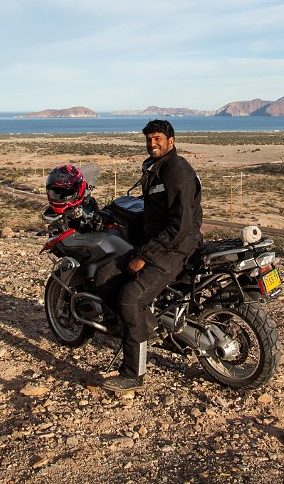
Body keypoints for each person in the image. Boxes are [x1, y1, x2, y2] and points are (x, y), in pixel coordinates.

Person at [97, 119, 202, 393]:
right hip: (156, 242)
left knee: (130, 298)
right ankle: (146, 329)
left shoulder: (176, 172)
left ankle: (133, 374)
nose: (152, 143)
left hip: (174, 248)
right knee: (105, 276)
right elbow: (154, 213)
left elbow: (179, 225)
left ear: (171, 141)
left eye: (158, 138)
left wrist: (144, 255)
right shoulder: (157, 168)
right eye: (149, 139)